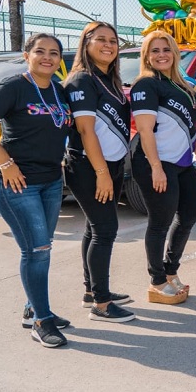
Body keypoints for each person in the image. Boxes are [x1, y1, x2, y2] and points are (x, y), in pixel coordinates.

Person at [0, 33, 73, 347]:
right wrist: (4, 163)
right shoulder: (13, 87)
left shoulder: (59, 90)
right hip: (17, 183)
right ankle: (42, 320)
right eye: (40, 51)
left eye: (54, 53)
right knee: (36, 250)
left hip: (51, 181)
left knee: (43, 246)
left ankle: (33, 307)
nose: (48, 58)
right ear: (26, 55)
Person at [64, 22, 135, 323]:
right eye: (101, 40)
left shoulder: (109, 79)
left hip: (111, 165)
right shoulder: (82, 80)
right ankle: (102, 305)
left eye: (113, 40)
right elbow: (85, 130)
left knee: (94, 229)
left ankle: (91, 292)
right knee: (105, 230)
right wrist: (102, 172)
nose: (108, 45)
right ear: (86, 43)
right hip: (89, 167)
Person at [131, 30, 196, 305]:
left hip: (184, 163)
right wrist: (156, 168)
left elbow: (188, 125)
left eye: (166, 49)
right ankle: (157, 280)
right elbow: (145, 130)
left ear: (175, 53)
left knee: (190, 215)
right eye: (155, 50)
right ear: (147, 56)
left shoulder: (182, 85)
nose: (161, 54)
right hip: (156, 163)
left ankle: (170, 270)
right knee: (160, 222)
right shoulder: (146, 85)